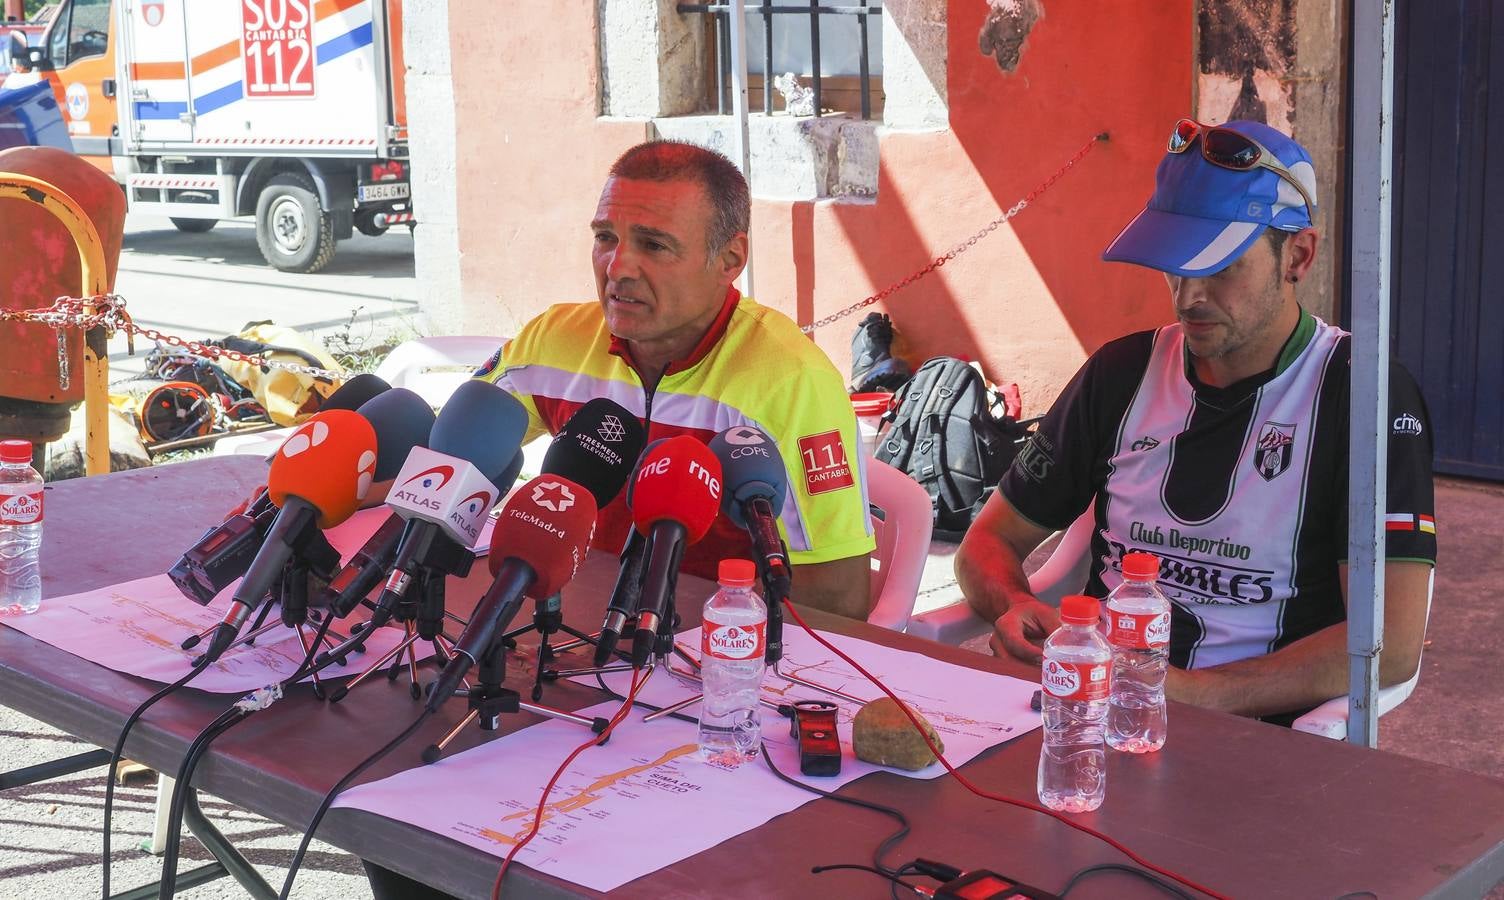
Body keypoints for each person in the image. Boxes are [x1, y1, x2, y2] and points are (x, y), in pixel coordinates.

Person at [364, 141, 875, 898]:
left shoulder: (790, 380)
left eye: (654, 245)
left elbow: (838, 603)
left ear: (729, 258)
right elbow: (461, 457)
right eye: (606, 237)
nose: (618, 266)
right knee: (402, 819)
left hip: (702, 706)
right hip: (561, 666)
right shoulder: (552, 339)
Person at [955, 119, 1436, 723]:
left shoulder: (1365, 396)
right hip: (1087, 716)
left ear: (1299, 255)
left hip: (1257, 747)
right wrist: (1017, 606)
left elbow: (1388, 642)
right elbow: (986, 543)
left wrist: (1189, 693)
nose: (1189, 297)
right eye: (1175, 266)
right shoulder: (1121, 373)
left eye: (1222, 265)